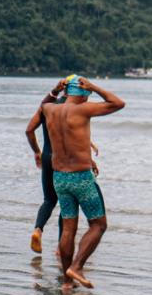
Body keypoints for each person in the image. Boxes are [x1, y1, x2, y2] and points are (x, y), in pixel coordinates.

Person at [42, 75, 125, 288]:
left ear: (66, 92)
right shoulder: (83, 109)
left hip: (59, 177)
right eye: (87, 92)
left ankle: (67, 282)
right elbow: (118, 103)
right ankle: (76, 266)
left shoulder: (50, 109)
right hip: (81, 178)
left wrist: (54, 90)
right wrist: (95, 86)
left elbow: (44, 104)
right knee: (98, 225)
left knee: (68, 227)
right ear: (84, 93)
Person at [25, 82, 98, 253]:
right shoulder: (74, 109)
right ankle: (61, 246)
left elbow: (29, 130)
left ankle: (38, 230)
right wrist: (89, 159)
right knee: (68, 202)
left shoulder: (48, 107)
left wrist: (37, 151)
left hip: (47, 156)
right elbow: (73, 139)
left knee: (49, 200)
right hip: (66, 161)